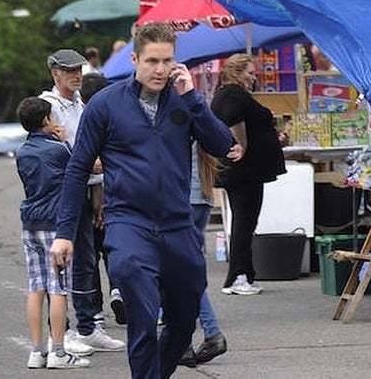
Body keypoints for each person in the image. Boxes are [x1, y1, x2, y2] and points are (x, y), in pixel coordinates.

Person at [50, 22, 241, 379]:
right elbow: (77, 170)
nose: (160, 69)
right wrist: (64, 233)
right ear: (135, 59)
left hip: (178, 226)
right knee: (142, 315)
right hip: (128, 225)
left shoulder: (184, 102)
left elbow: (222, 147)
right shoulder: (105, 105)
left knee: (183, 323)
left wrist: (193, 100)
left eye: (167, 60)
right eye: (152, 60)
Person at [41, 49, 124, 355]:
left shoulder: (82, 104)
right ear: (55, 74)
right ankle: (61, 332)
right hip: (63, 192)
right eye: (69, 70)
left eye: (79, 70)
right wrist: (89, 164)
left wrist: (99, 188)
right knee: (64, 261)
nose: (76, 75)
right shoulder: (49, 108)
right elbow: (51, 153)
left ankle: (89, 327)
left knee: (87, 260)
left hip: (89, 189)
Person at [14, 96, 91, 370]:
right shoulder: (58, 150)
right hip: (54, 224)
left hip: (30, 222)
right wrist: (63, 140)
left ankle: (37, 351)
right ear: (47, 120)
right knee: (58, 288)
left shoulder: (22, 152)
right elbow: (80, 166)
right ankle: (58, 350)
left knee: (36, 287)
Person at [211, 53, 287, 296]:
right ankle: (238, 276)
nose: (253, 77)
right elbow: (235, 120)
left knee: (245, 221)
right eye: (250, 72)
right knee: (245, 221)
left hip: (244, 170)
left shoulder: (227, 94)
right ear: (236, 71)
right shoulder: (233, 94)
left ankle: (245, 272)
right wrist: (242, 144)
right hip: (244, 171)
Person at [178, 142, 228, 367]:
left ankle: (196, 337)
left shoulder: (175, 119)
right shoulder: (199, 119)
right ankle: (205, 334)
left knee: (178, 275)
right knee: (188, 273)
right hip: (203, 196)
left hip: (182, 200)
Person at [80, 72, 125, 327]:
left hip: (90, 196)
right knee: (114, 249)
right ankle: (119, 290)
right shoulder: (115, 117)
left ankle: (95, 309)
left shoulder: (84, 119)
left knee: (89, 257)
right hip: (114, 196)